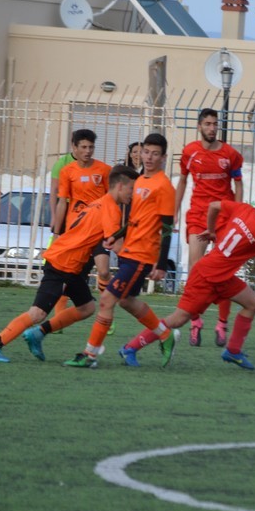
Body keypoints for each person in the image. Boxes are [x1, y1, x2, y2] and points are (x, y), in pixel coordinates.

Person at [119, 186, 255, 371]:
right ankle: (129, 348)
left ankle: (233, 351)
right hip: (207, 276)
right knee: (178, 319)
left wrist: (211, 230)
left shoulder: (244, 209)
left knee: (253, 303)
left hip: (222, 276)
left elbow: (213, 206)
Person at [0, 165, 139, 363]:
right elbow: (117, 246)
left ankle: (38, 333)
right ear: (120, 186)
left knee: (87, 307)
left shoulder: (100, 203)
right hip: (63, 264)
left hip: (71, 265)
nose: (133, 194)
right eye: (132, 189)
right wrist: (141, 258)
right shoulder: (111, 209)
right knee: (37, 313)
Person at [64, 133, 175, 368]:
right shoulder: (141, 180)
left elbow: (167, 228)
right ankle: (165, 334)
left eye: (155, 154)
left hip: (141, 255)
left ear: (164, 157)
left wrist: (162, 264)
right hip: (129, 250)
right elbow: (136, 219)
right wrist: (117, 235)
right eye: (146, 152)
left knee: (106, 299)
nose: (149, 157)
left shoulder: (164, 186)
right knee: (126, 301)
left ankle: (90, 355)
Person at [174, 108, 244, 348]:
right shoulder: (190, 152)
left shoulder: (230, 154)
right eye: (207, 124)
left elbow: (238, 184)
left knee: (224, 271)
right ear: (199, 126)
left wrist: (237, 212)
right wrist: (175, 210)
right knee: (195, 270)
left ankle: (222, 323)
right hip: (198, 216)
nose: (212, 128)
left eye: (215, 124)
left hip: (224, 217)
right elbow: (183, 181)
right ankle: (196, 322)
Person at [51, 129, 113, 311]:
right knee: (69, 275)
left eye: (91, 147)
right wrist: (57, 233)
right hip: (76, 231)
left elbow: (111, 200)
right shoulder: (67, 171)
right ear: (74, 147)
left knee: (104, 271)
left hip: (99, 229)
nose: (88, 151)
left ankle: (106, 312)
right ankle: (59, 316)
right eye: (84, 147)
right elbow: (62, 202)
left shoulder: (104, 170)